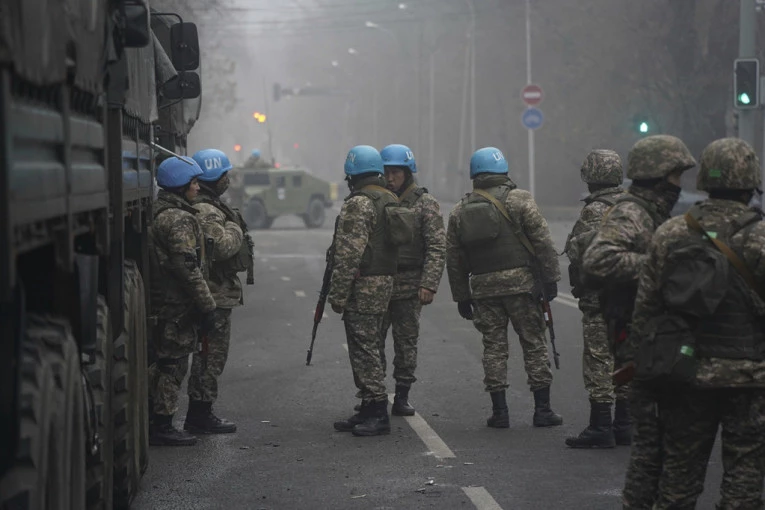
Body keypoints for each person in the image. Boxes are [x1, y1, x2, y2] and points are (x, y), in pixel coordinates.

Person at [627, 138, 765, 509]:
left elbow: (647, 308)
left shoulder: (673, 232)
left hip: (685, 372)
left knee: (679, 477)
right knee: (744, 479)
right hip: (750, 377)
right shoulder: (760, 236)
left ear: (704, 179)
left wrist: (643, 370)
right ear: (751, 180)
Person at [582, 135, 696, 508]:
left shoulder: (655, 211)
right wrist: (663, 266)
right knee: (652, 455)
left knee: (659, 451)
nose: (679, 184)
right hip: (643, 344)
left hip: (659, 343)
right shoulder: (632, 211)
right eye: (676, 175)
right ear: (658, 174)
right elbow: (598, 260)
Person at [445, 147, 562, 428]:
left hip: (484, 290)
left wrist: (462, 297)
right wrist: (550, 279)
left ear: (474, 174)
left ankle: (499, 412)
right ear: (504, 171)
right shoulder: (521, 200)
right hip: (522, 287)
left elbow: (454, 258)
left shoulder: (460, 210)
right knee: (533, 344)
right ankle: (542, 410)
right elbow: (543, 241)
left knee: (494, 348)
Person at [330, 145, 400, 437]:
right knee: (370, 344)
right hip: (384, 281)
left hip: (364, 285)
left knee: (365, 348)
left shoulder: (359, 203)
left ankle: (377, 411)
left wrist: (337, 294)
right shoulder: (389, 198)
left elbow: (349, 254)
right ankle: (368, 408)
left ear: (353, 175)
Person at [148, 156, 217, 446]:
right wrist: (208, 305)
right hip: (176, 305)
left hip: (164, 302)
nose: (198, 187)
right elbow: (187, 267)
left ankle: (157, 420)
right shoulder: (179, 219)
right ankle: (163, 424)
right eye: (194, 182)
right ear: (180, 185)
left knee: (165, 361)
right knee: (173, 364)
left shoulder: (160, 211)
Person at [185, 148, 254, 434]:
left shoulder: (209, 205)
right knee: (210, 355)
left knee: (209, 354)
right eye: (225, 174)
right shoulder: (207, 210)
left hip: (214, 291)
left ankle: (201, 410)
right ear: (214, 176)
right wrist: (235, 229)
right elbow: (222, 247)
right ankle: (200, 413)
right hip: (212, 293)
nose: (228, 179)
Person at [564, 150, 627, 448]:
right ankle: (625, 424)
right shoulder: (633, 205)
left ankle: (601, 425)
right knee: (626, 358)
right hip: (630, 297)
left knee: (599, 358)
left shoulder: (595, 210)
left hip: (600, 297)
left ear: (590, 176)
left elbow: (580, 251)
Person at [377, 144, 446, 416]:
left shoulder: (425, 203)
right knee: (372, 342)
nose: (390, 178)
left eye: (395, 172)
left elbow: (436, 246)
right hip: (379, 285)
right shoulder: (378, 201)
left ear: (407, 173)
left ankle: (402, 395)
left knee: (406, 343)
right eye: (386, 173)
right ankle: (374, 394)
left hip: (409, 286)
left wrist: (429, 284)